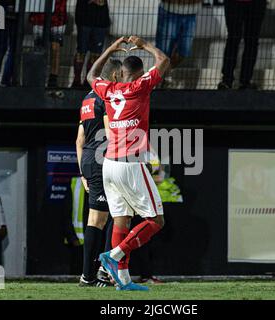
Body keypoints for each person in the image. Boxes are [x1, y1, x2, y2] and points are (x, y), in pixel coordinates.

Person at [86, 35, 170, 291]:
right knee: (156, 220)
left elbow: (90, 75)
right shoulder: (141, 87)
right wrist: (145, 46)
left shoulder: (109, 91)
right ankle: (113, 256)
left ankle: (122, 280)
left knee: (122, 220)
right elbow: (164, 60)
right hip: (129, 164)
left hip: (108, 164)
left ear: (120, 74)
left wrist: (110, 47)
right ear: (140, 73)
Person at [76, 59, 122, 287]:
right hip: (104, 160)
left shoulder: (86, 99)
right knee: (117, 213)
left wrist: (83, 172)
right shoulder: (106, 97)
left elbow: (79, 140)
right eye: (121, 75)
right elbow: (111, 133)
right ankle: (105, 270)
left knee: (97, 218)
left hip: (88, 161)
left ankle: (88, 275)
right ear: (114, 76)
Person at [217, 0, 267, 90]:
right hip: (234, 3)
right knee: (234, 38)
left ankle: (245, 81)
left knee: (251, 40)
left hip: (256, 3)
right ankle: (227, 80)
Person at [155, 0, 202, 87]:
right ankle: (160, 80)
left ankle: (165, 73)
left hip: (191, 12)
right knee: (163, 50)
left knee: (185, 51)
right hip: (169, 10)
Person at [71, 0, 110, 88]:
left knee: (95, 54)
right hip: (84, 18)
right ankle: (76, 81)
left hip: (100, 20)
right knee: (81, 51)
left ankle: (88, 81)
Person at [29, 0, 68, 88]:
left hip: (58, 16)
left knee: (55, 49)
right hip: (40, 17)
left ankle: (53, 79)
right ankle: (38, 77)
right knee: (39, 50)